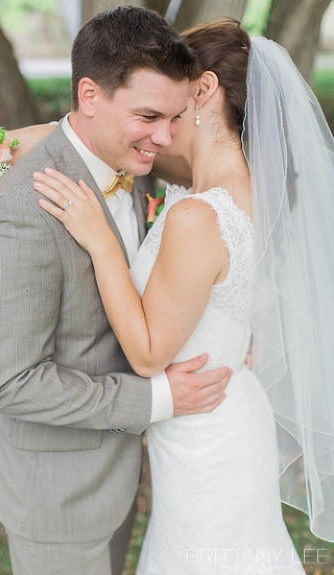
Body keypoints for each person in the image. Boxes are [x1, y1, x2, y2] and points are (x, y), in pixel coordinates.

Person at [33, 18, 334, 571]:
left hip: (206, 438)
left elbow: (149, 354)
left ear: (205, 89)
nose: (160, 125)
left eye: (172, 98)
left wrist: (102, 243)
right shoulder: (249, 182)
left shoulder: (199, 214)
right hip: (230, 407)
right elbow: (105, 143)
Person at [0, 6, 234, 574]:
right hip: (57, 497)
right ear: (90, 95)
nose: (165, 138)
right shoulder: (23, 210)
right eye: (148, 116)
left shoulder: (127, 162)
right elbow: (11, 382)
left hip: (116, 476)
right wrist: (159, 400)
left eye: (174, 117)